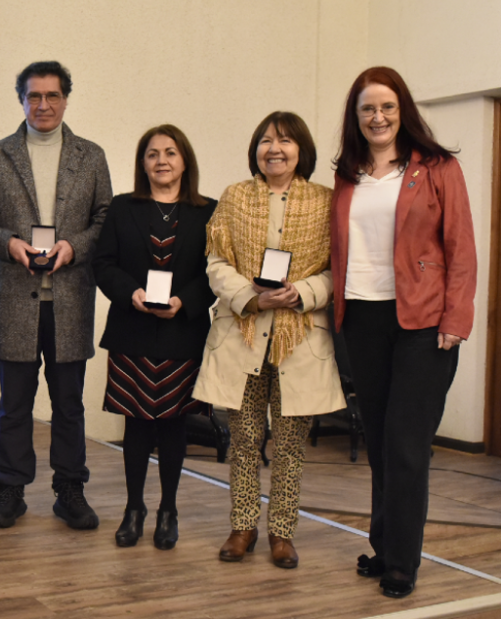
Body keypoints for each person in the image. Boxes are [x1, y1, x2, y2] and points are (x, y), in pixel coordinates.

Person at [331, 67, 476, 599]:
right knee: (379, 444)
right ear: (357, 117)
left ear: (403, 110)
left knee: (406, 445)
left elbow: (461, 249)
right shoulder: (348, 176)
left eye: (387, 107)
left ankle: (403, 564)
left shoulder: (437, 168)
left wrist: (456, 320)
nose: (378, 117)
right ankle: (384, 546)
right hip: (363, 322)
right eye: (368, 108)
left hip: (423, 324)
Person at [193, 111, 345, 569]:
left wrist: (304, 292)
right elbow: (216, 261)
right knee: (243, 440)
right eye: (265, 140)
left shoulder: (326, 201)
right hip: (243, 333)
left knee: (290, 444)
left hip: (300, 338)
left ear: (302, 150)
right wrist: (249, 297)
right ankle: (242, 527)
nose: (273, 149)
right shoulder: (235, 197)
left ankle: (282, 533)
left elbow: (339, 267)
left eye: (284, 141)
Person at [0, 61, 113, 530]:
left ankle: (70, 491)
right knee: (14, 405)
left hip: (70, 299)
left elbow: (104, 221)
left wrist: (75, 248)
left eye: (52, 96)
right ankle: (10, 490)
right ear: (21, 100)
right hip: (16, 296)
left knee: (69, 405)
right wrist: (9, 244)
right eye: (34, 96)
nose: (43, 105)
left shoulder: (90, 156)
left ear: (66, 99)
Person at [93, 125, 217, 549]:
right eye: (152, 154)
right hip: (133, 330)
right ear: (142, 163)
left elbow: (215, 272)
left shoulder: (208, 211)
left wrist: (186, 300)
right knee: (137, 427)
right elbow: (103, 264)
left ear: (185, 161)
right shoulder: (123, 207)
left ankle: (168, 509)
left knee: (173, 427)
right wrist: (132, 293)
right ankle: (134, 509)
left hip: (183, 333)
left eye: (170, 152)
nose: (161, 161)